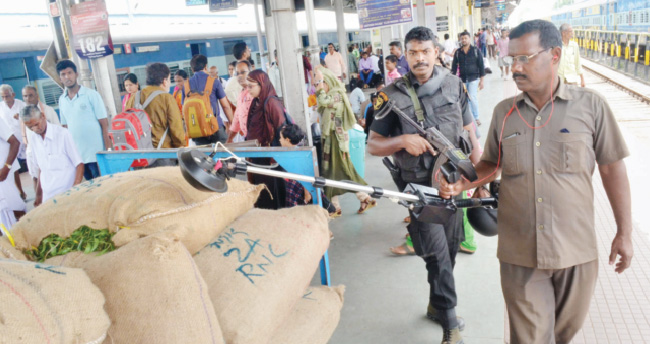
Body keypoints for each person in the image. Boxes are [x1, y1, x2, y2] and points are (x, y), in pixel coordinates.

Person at [439, 19, 633, 344]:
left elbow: (613, 169)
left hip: (575, 249)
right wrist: (463, 184)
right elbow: (492, 162)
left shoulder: (591, 107)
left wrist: (624, 233)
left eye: (524, 58)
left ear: (554, 55)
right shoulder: (505, 113)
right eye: (511, 58)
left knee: (564, 334)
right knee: (529, 338)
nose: (515, 67)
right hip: (520, 252)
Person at [367, 26, 480, 344]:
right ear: (405, 54)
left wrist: (480, 180)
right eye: (413, 52)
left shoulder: (454, 85)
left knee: (452, 249)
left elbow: (471, 133)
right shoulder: (390, 95)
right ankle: (450, 328)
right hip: (420, 190)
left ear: (436, 52)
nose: (419, 58)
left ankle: (436, 305)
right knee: (438, 257)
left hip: (454, 184)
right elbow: (374, 145)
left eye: (425, 51)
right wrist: (403, 140)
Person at [313, 66, 376, 217]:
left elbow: (322, 101)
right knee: (331, 173)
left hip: (336, 140)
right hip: (331, 139)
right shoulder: (333, 94)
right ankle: (337, 206)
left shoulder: (337, 95)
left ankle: (362, 198)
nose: (319, 87)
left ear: (327, 81)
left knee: (342, 172)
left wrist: (320, 83)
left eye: (321, 83)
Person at [56, 60, 111, 180]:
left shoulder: (91, 95)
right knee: (89, 186)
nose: (67, 77)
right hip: (78, 155)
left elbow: (104, 123)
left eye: (70, 73)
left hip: (96, 153)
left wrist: (108, 149)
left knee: (102, 183)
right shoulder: (62, 100)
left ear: (76, 74)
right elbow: (64, 127)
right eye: (63, 74)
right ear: (60, 78)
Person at [20, 105, 83, 206]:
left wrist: (75, 189)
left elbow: (79, 164)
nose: (35, 129)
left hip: (67, 194)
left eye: (36, 124)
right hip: (48, 196)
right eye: (30, 127)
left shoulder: (62, 134)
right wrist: (39, 195)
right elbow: (41, 168)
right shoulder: (34, 139)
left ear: (43, 116)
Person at [245, 70, 287, 209]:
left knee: (271, 193)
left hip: (270, 157)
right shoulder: (256, 102)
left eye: (251, 86)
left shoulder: (272, 103)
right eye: (247, 86)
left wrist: (276, 156)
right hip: (258, 155)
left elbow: (281, 130)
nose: (248, 89)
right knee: (262, 193)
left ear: (262, 84)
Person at [126, 62, 186, 150]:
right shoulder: (167, 98)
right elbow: (176, 129)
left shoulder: (133, 98)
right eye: (169, 80)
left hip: (140, 154)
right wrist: (180, 146)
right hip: (163, 152)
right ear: (164, 81)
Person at [182, 54, 234, 145]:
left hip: (197, 130)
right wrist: (231, 123)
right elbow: (225, 106)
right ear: (206, 66)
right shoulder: (214, 81)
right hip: (215, 128)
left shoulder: (185, 85)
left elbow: (184, 109)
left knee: (203, 157)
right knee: (223, 157)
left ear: (192, 69)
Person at [20, 86, 61, 192]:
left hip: (50, 151)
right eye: (25, 96)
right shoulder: (22, 114)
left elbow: (58, 130)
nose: (28, 99)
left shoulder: (48, 110)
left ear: (37, 96)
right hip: (32, 151)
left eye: (30, 95)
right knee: (35, 177)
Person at [451, 31, 485, 126]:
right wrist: (452, 79)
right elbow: (454, 67)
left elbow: (481, 66)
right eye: (462, 38)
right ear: (460, 40)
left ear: (469, 39)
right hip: (462, 79)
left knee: (472, 98)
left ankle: (476, 117)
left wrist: (482, 81)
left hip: (474, 78)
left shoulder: (475, 50)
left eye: (466, 38)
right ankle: (470, 118)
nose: (464, 40)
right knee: (465, 99)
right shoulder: (458, 52)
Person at [0, 84, 27, 200]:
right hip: (10, 144)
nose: (5, 99)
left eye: (7, 96)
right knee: (13, 168)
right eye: (3, 97)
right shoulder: (0, 107)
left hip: (24, 139)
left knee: (32, 165)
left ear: (13, 95)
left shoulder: (21, 104)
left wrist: (20, 117)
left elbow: (30, 119)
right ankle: (20, 191)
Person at [228, 60, 254, 142]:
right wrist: (230, 139)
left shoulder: (256, 92)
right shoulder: (241, 94)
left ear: (250, 72)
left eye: (243, 72)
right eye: (237, 74)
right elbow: (237, 118)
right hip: (250, 139)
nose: (239, 76)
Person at [558, 23, 585, 87]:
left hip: (572, 80)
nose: (572, 33)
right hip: (559, 80)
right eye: (570, 31)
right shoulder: (556, 46)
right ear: (563, 33)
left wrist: (582, 79)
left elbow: (577, 63)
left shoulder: (574, 46)